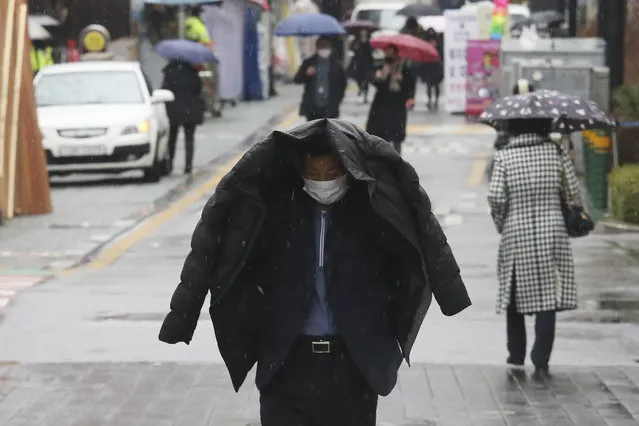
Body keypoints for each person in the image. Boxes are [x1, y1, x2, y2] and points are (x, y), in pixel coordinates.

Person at [158, 119, 471, 426]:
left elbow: (413, 240)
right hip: (286, 362)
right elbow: (216, 245)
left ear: (348, 172)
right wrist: (185, 316)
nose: (324, 180)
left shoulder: (370, 216)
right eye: (314, 173)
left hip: (353, 366)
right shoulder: (277, 215)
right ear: (301, 172)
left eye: (332, 172)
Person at [487, 118, 583, 379]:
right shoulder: (556, 152)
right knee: (547, 296)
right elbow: (573, 190)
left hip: (516, 229)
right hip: (552, 229)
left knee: (514, 294)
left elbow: (495, 196)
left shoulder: (505, 155)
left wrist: (502, 221)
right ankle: (541, 358)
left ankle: (516, 354)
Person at [366, 44, 416, 154]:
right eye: (386, 51)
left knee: (397, 135)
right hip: (381, 103)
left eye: (391, 51)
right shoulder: (381, 65)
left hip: (397, 104)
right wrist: (378, 77)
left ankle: (397, 160)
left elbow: (410, 85)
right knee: (379, 134)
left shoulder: (403, 66)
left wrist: (402, 80)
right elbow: (372, 80)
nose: (388, 54)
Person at [161, 60, 204, 175]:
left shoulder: (169, 72)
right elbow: (198, 88)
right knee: (189, 139)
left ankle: (170, 164)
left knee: (172, 139)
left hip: (173, 111)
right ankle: (188, 166)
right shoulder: (192, 72)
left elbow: (164, 89)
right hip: (190, 111)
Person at [293, 37, 347, 121]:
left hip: (330, 107)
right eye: (322, 46)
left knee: (329, 132)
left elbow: (343, 84)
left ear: (330, 48)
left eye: (326, 46)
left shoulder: (337, 65)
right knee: (312, 132)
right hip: (312, 108)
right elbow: (297, 79)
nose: (324, 49)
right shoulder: (309, 62)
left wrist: (337, 100)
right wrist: (306, 74)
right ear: (317, 47)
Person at [349, 29, 374, 103]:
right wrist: (355, 47)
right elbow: (352, 50)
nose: (363, 33)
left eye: (364, 32)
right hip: (359, 63)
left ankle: (365, 95)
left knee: (366, 79)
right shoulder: (356, 41)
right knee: (358, 78)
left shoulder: (370, 41)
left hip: (367, 63)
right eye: (362, 32)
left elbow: (371, 51)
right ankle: (360, 88)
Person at [422, 27, 443, 110]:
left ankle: (436, 101)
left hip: (436, 66)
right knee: (429, 85)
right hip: (428, 66)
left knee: (436, 85)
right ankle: (430, 100)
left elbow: (441, 55)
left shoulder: (438, 45)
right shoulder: (425, 44)